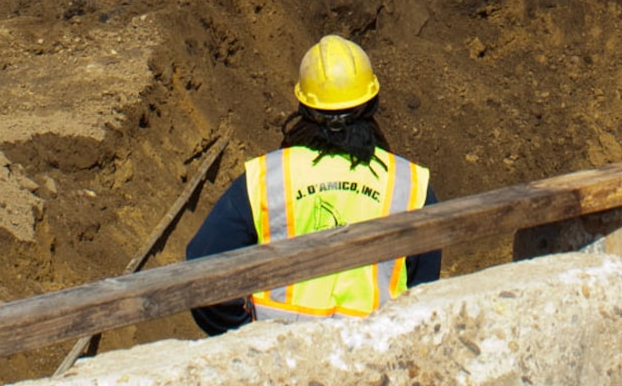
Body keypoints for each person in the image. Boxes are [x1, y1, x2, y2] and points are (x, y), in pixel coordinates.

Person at [186, 35, 439, 334]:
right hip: (374, 358)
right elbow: (424, 296)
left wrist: (240, 331)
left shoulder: (265, 181)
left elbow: (201, 270)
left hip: (279, 359)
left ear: (304, 107)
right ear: (372, 103)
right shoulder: (409, 188)